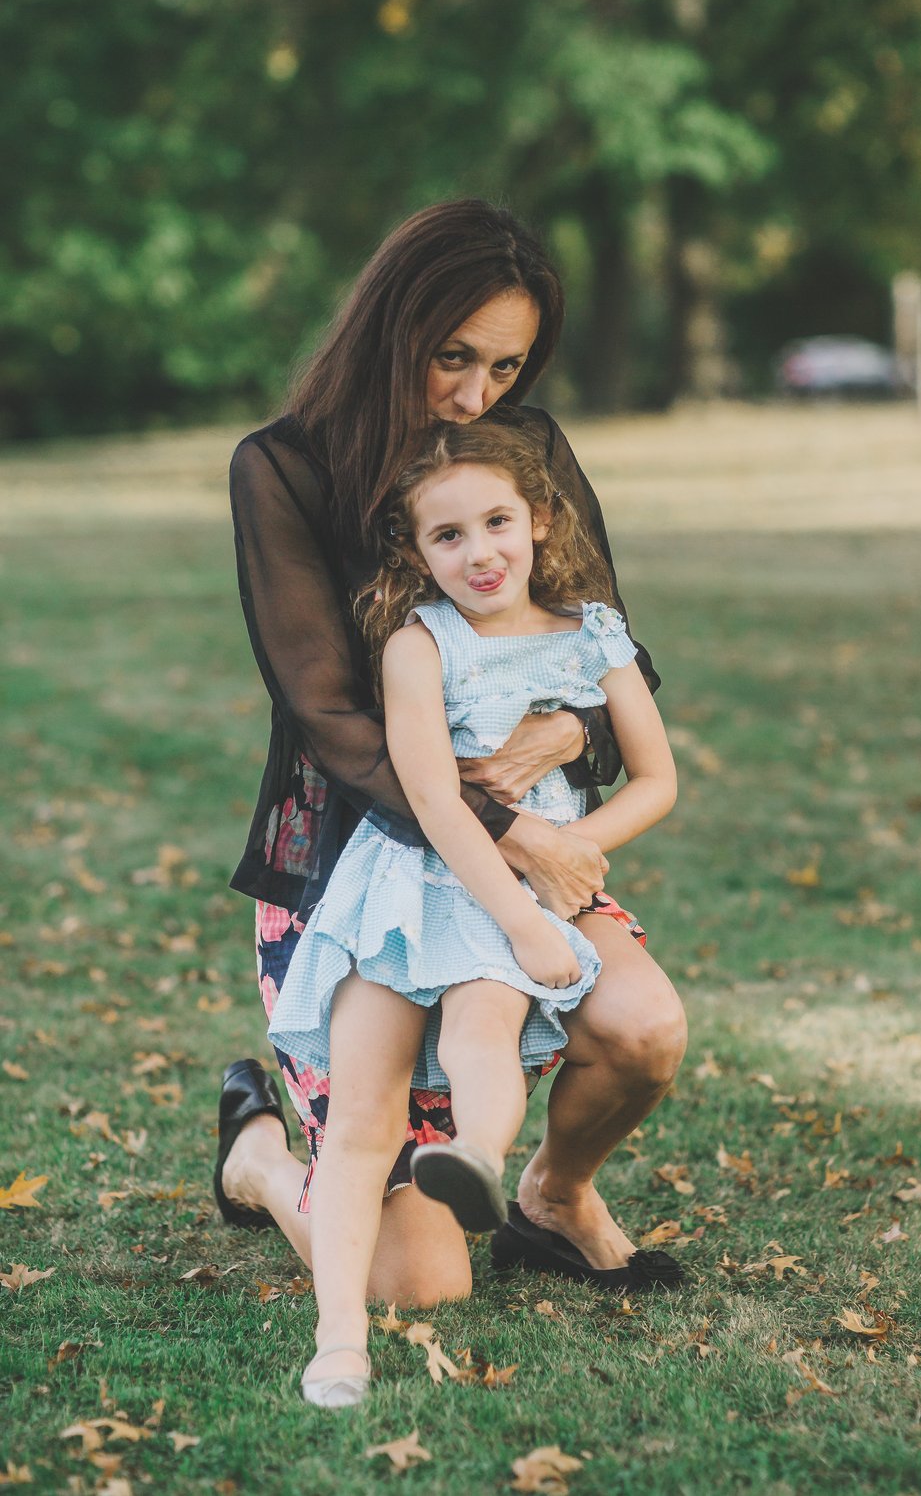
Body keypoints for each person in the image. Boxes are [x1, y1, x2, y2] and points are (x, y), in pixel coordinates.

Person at [214, 197, 687, 1325]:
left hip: (510, 873)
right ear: (392, 327)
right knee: (415, 1286)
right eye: (453, 358)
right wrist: (512, 826)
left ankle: (553, 1196)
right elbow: (331, 721)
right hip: (357, 867)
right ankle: (261, 1162)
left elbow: (606, 649)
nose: (477, 395)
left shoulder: (524, 447)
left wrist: (571, 734)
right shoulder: (281, 470)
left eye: (506, 366)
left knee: (640, 1029)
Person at [264, 420, 678, 1406]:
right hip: (410, 883)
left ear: (539, 519)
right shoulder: (419, 644)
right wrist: (526, 915)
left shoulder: (595, 637)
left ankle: (477, 1162)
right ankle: (337, 1342)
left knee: (488, 1031)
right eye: (447, 536)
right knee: (365, 1114)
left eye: (497, 521)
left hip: (525, 893)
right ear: (416, 552)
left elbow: (657, 778)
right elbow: (433, 797)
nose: (479, 552)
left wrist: (582, 851)